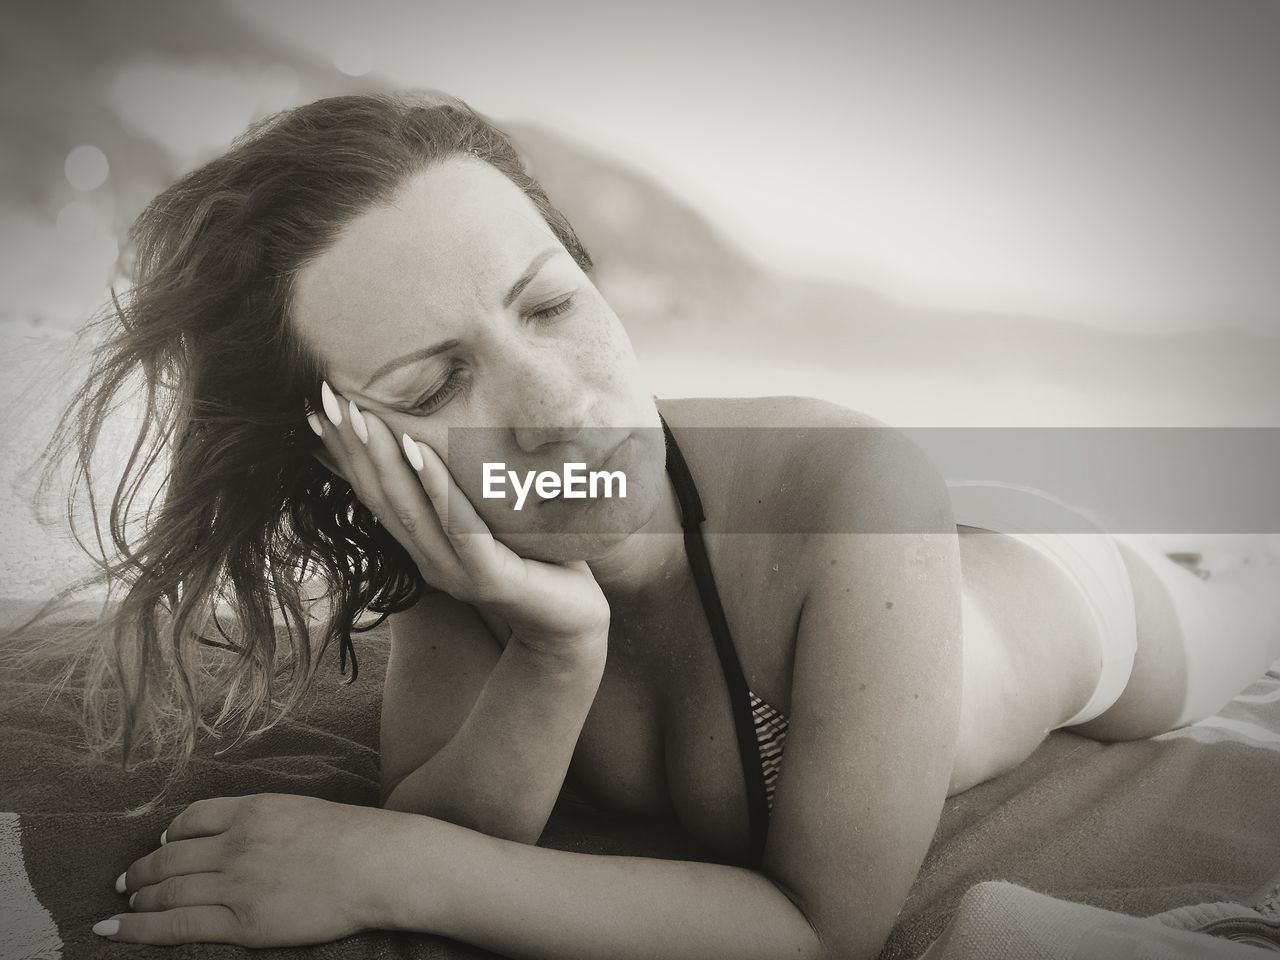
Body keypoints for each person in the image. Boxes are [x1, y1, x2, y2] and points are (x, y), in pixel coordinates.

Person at [14, 90, 1280, 959]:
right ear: (353, 455)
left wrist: (380, 870)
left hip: (1084, 600)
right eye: (433, 384)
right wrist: (552, 649)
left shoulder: (849, 482)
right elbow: (461, 818)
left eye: (550, 307)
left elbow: (817, 932)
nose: (555, 407)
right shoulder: (455, 550)